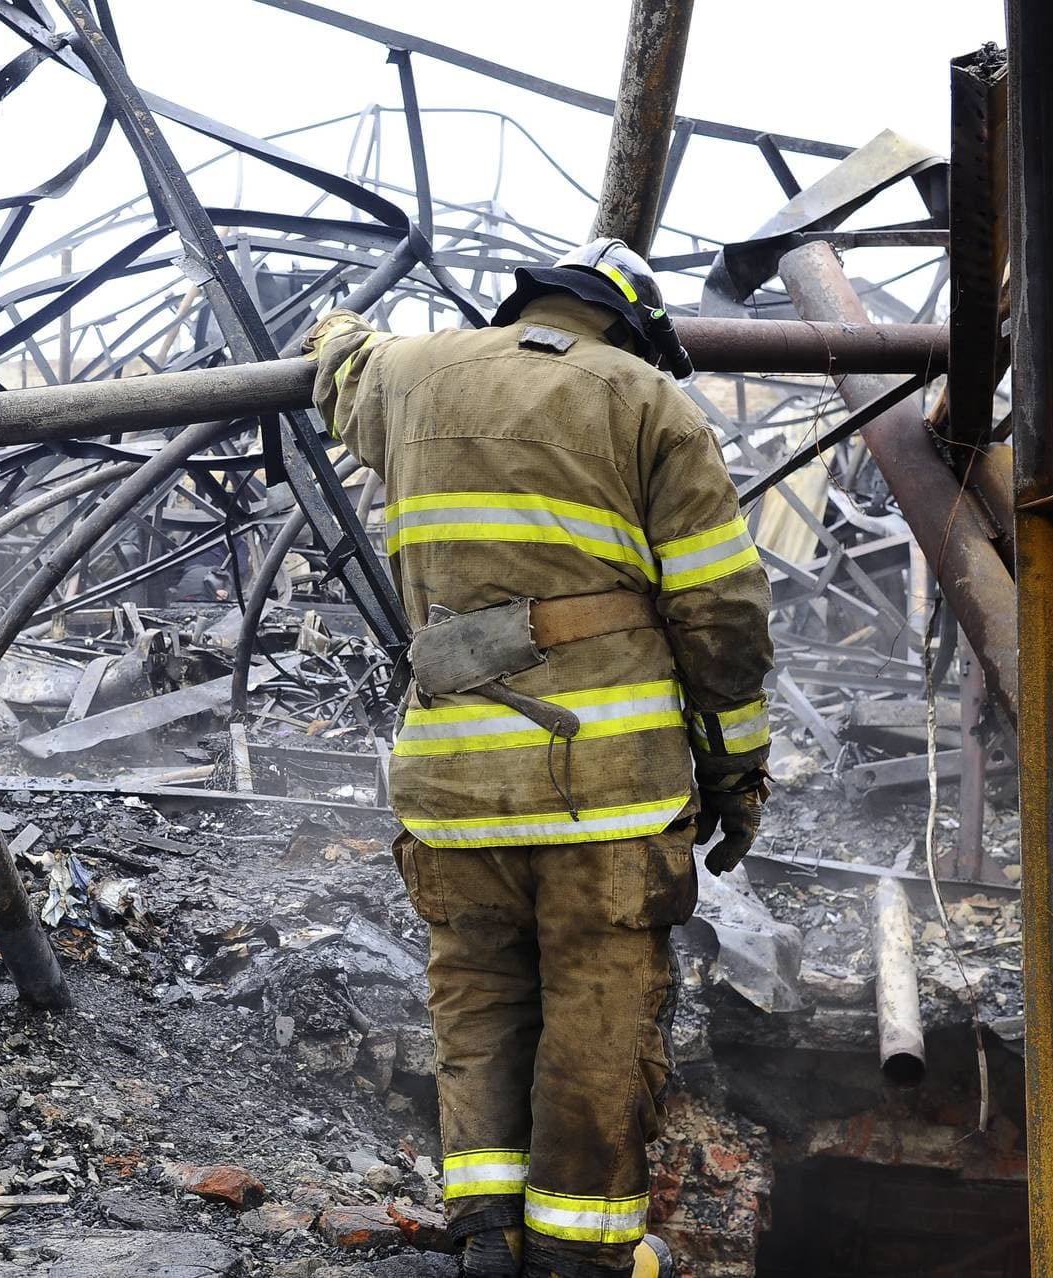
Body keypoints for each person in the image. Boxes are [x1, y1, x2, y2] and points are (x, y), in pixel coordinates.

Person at [304, 240, 773, 1278]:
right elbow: (721, 613)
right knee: (599, 1023)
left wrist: (338, 335)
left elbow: (339, 361)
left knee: (477, 1000)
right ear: (633, 325)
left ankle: (482, 1237)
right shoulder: (648, 401)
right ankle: (579, 1256)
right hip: (602, 798)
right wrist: (735, 772)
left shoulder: (410, 374)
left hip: (453, 794)